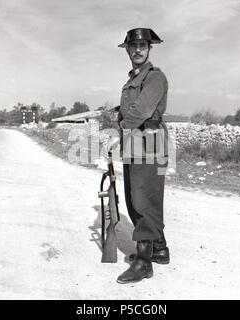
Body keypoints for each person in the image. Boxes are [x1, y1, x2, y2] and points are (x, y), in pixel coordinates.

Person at [104, 28, 170, 284]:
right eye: (134, 46)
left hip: (149, 146)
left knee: (143, 202)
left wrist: (119, 131)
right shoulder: (133, 79)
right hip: (135, 146)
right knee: (140, 201)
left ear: (149, 48)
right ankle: (160, 249)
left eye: (143, 45)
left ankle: (144, 263)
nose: (138, 50)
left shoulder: (154, 77)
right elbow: (130, 109)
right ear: (128, 50)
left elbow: (142, 109)